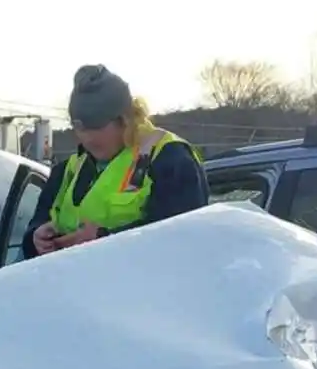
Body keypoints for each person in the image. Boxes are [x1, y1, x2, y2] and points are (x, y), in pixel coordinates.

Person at [26, 65, 208, 257]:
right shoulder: (67, 171)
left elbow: (183, 239)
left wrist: (105, 239)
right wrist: (37, 238)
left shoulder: (171, 158)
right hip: (68, 283)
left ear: (125, 120)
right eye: (80, 129)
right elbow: (31, 238)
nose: (87, 139)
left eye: (96, 129)